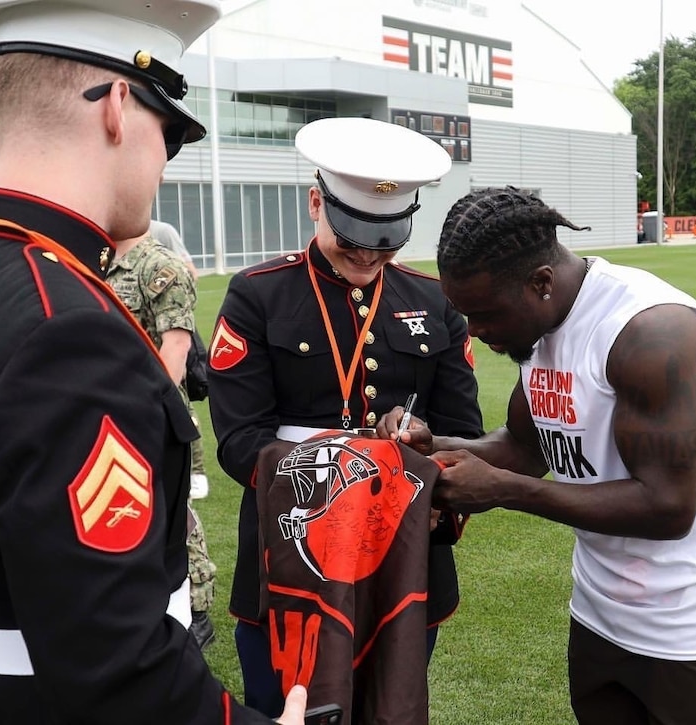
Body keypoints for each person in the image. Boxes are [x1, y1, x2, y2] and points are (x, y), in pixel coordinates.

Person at [0, 1, 306, 723]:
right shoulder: (66, 328)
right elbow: (116, 668)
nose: (165, 165)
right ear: (116, 106)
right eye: (167, 133)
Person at [391, 185, 696, 724]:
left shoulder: (649, 331)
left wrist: (504, 491)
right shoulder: (540, 325)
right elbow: (524, 449)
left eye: (483, 315)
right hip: (601, 617)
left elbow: (668, 506)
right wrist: (432, 447)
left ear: (541, 282)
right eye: (464, 315)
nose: (476, 332)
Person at [207, 116, 484, 717]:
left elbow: (465, 433)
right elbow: (237, 439)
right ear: (316, 203)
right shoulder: (259, 294)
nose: (368, 253)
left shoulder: (435, 302)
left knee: (389, 703)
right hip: (293, 550)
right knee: (283, 708)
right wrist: (347, 466)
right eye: (353, 233)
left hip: (402, 560)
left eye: (388, 240)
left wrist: (420, 444)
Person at [105, 226, 217, 649]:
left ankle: (197, 607)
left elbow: (176, 349)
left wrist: (148, 416)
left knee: (176, 515)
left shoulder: (159, 265)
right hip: (111, 414)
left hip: (154, 416)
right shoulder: (101, 264)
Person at [149, 219, 210, 499]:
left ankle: (196, 472)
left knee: (179, 402)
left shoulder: (161, 231)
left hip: (167, 336)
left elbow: (190, 272)